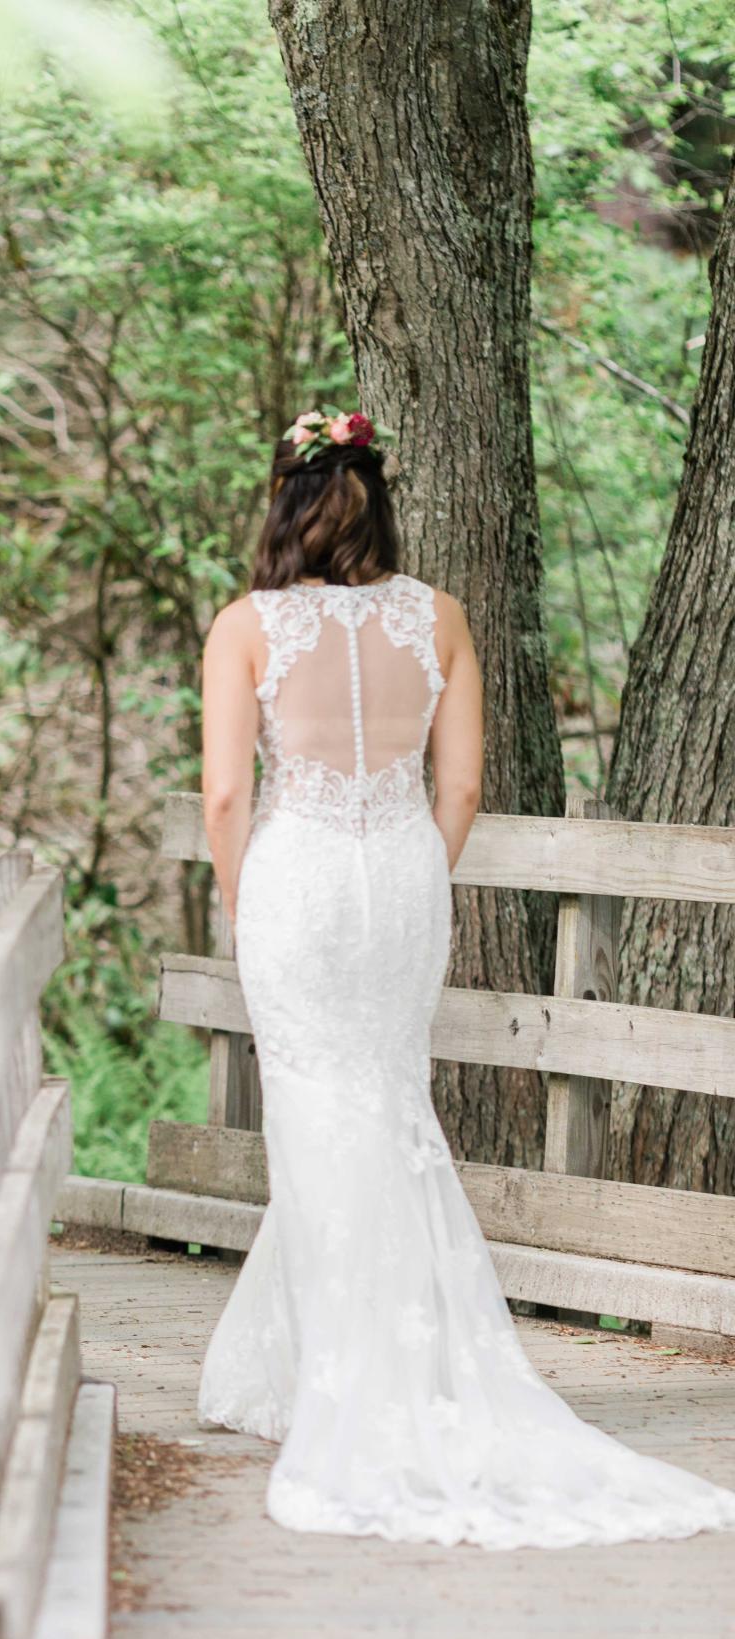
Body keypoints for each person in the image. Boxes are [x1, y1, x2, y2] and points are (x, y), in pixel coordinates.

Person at [197, 406, 735, 1547]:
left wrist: (248, 899)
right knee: (388, 1108)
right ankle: (348, 1364)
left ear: (287, 502)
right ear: (377, 498)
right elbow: (465, 790)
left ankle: (345, 1385)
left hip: (295, 883)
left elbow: (226, 798)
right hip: (401, 881)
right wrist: (414, 877)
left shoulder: (245, 626)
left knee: (316, 1113)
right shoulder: (438, 617)